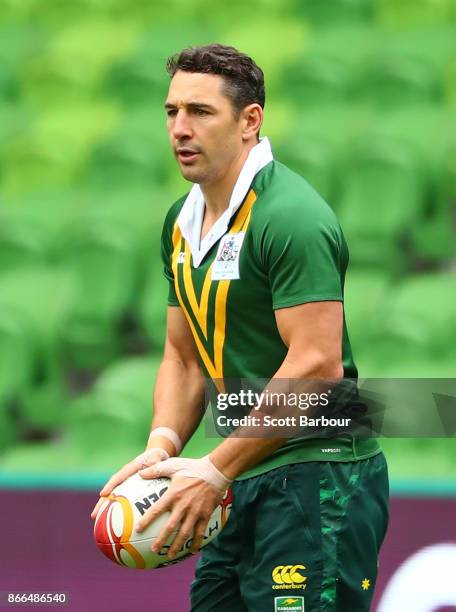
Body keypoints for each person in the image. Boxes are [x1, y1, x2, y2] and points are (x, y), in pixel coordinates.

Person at [91, 44, 389, 611]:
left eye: (200, 112)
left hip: (318, 477)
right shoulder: (180, 222)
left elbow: (317, 366)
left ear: (250, 121)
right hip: (239, 471)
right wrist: (163, 446)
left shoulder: (292, 217)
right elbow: (182, 356)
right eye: (172, 111)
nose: (180, 128)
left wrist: (212, 467)